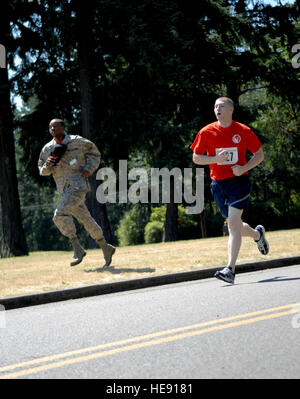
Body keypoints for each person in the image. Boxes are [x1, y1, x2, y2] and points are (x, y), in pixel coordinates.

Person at [190, 97, 269, 284]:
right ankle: (258, 235)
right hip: (218, 185)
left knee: (232, 224)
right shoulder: (206, 131)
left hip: (239, 182)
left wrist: (243, 167)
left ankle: (230, 270)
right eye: (215, 106)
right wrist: (215, 159)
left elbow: (259, 155)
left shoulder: (243, 131)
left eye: (221, 106)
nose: (217, 109)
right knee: (236, 225)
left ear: (231, 110)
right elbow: (196, 157)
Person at [38, 118, 116, 268]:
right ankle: (106, 247)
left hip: (78, 187)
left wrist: (88, 169)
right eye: (50, 127)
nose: (52, 129)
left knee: (59, 214)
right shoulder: (47, 149)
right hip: (64, 189)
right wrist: (47, 166)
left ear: (63, 127)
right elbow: (42, 170)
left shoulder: (76, 141)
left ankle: (77, 248)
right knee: (86, 219)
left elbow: (94, 153)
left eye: (55, 127)